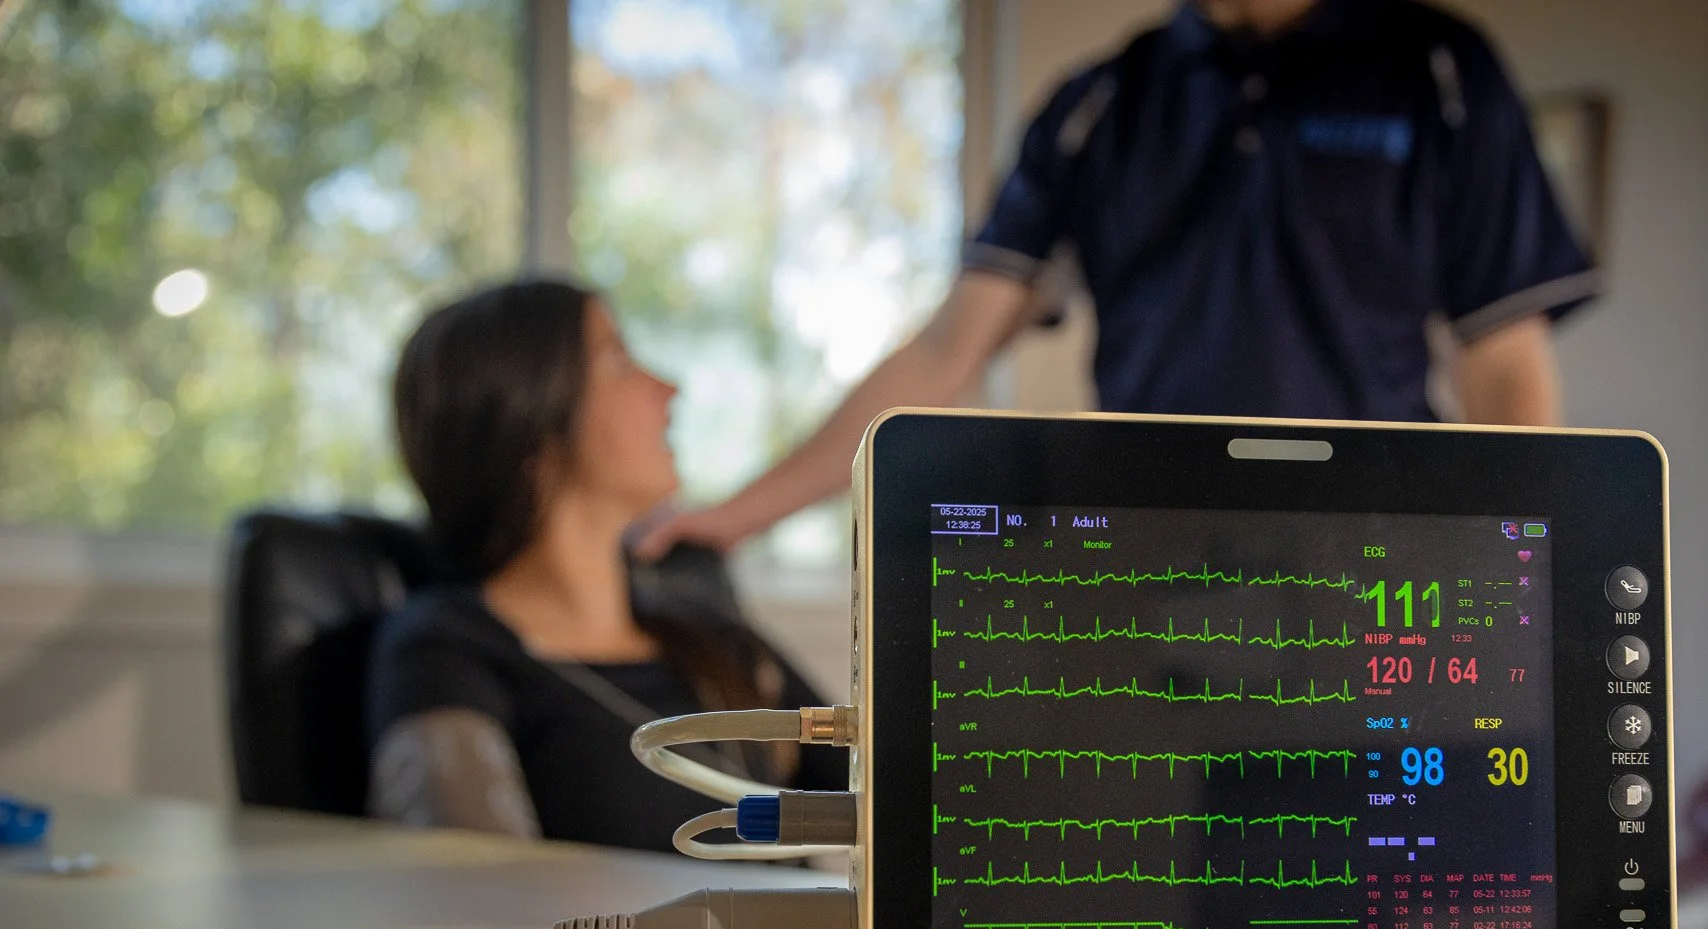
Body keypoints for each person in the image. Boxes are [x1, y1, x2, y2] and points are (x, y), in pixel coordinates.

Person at [637, 0, 1597, 559]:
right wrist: (735, 517)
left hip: (1373, 569)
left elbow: (1506, 370)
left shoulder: (1440, 73)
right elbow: (943, 354)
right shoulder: (1100, 103)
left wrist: (1519, 582)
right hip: (1149, 576)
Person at [366, 279, 846, 852]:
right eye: (618, 361)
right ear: (530, 421)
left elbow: (895, 797)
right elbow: (470, 888)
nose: (668, 388)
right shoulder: (442, 653)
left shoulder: (708, 633)